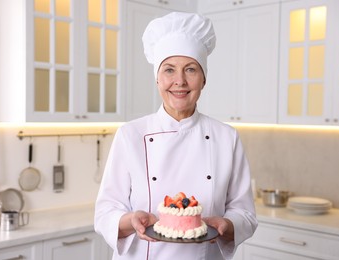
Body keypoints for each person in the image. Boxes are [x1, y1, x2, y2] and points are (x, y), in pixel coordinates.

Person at [94, 12, 257, 260]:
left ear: (204, 79)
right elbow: (105, 212)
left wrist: (227, 225)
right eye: (169, 70)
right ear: (157, 79)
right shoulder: (131, 135)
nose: (179, 81)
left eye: (190, 69)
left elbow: (245, 213)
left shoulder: (226, 137)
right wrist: (130, 220)